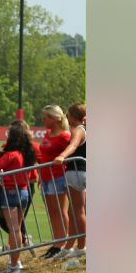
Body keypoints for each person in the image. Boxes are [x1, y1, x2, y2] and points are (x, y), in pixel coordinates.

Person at [0, 121, 39, 273]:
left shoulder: (10, 154)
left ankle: (14, 264)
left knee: (13, 229)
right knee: (16, 229)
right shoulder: (27, 153)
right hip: (24, 191)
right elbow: (33, 178)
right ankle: (15, 262)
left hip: (9, 192)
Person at [36, 105, 73, 259]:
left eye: (46, 117)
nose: (43, 120)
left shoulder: (65, 136)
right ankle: (57, 242)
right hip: (45, 177)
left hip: (58, 176)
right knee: (52, 211)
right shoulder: (48, 134)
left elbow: (70, 153)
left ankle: (65, 242)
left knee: (60, 210)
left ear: (55, 118)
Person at [54, 103, 87, 258]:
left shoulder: (79, 130)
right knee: (73, 211)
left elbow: (73, 145)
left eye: (68, 115)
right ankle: (70, 245)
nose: (66, 118)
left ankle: (81, 246)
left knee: (78, 211)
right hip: (81, 172)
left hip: (77, 172)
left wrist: (62, 156)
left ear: (74, 117)